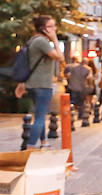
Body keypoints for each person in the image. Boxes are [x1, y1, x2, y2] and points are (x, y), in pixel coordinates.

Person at [14, 15, 65, 149]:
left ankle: (43, 142)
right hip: (42, 84)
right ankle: (30, 147)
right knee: (41, 117)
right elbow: (60, 57)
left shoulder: (33, 41)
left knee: (39, 114)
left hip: (33, 84)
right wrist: (55, 40)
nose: (55, 29)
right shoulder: (41, 42)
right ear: (44, 29)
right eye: (52, 26)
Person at [63, 56, 91, 122]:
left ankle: (68, 115)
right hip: (82, 88)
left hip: (72, 87)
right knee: (81, 103)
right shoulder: (87, 69)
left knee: (72, 102)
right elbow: (89, 78)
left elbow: (68, 75)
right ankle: (80, 115)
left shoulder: (72, 68)